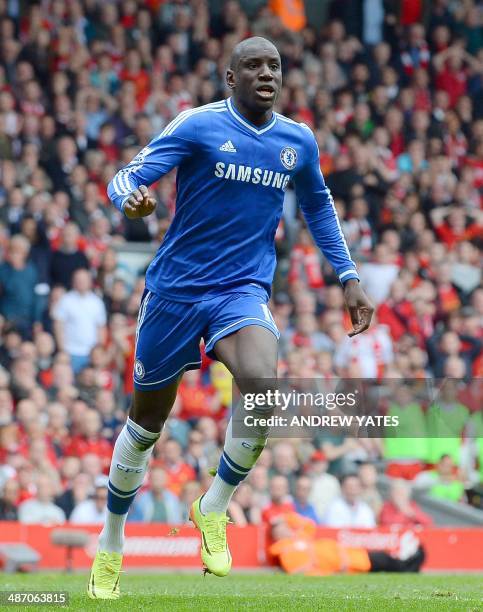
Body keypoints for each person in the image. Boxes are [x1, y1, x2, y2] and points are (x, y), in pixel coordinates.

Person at [88, 36, 373, 599]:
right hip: (174, 291)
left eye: (274, 65)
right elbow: (126, 176)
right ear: (230, 77)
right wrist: (131, 201)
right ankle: (111, 543)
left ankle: (212, 506)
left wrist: (348, 276)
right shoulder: (196, 126)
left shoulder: (298, 141)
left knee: (263, 384)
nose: (267, 73)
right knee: (144, 427)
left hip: (241, 290)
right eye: (253, 65)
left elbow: (317, 206)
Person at [270, 512, 425, 575]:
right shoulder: (284, 550)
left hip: (349, 554)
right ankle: (414, 562)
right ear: (276, 535)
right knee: (384, 560)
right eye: (280, 530)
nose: (285, 530)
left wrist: (286, 517)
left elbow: (309, 525)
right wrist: (324, 574)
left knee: (384, 559)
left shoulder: (299, 537)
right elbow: (299, 570)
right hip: (347, 562)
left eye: (285, 527)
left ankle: (413, 563)